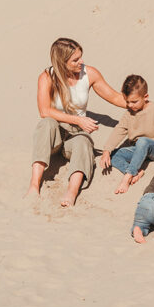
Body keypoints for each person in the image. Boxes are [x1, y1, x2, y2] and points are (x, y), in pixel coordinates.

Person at [29, 37, 126, 206]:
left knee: (83, 141)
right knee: (47, 124)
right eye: (75, 60)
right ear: (62, 62)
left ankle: (71, 192)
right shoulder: (47, 77)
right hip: (54, 138)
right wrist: (78, 119)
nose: (81, 62)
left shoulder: (89, 74)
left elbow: (115, 97)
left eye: (81, 56)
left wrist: (140, 105)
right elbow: (44, 111)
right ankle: (34, 185)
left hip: (75, 137)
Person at [99, 74, 154, 194]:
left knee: (143, 141)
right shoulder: (128, 114)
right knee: (113, 155)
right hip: (139, 151)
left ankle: (127, 177)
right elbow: (119, 130)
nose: (130, 105)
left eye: (134, 101)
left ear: (145, 97)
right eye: (127, 102)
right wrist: (107, 151)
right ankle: (136, 171)